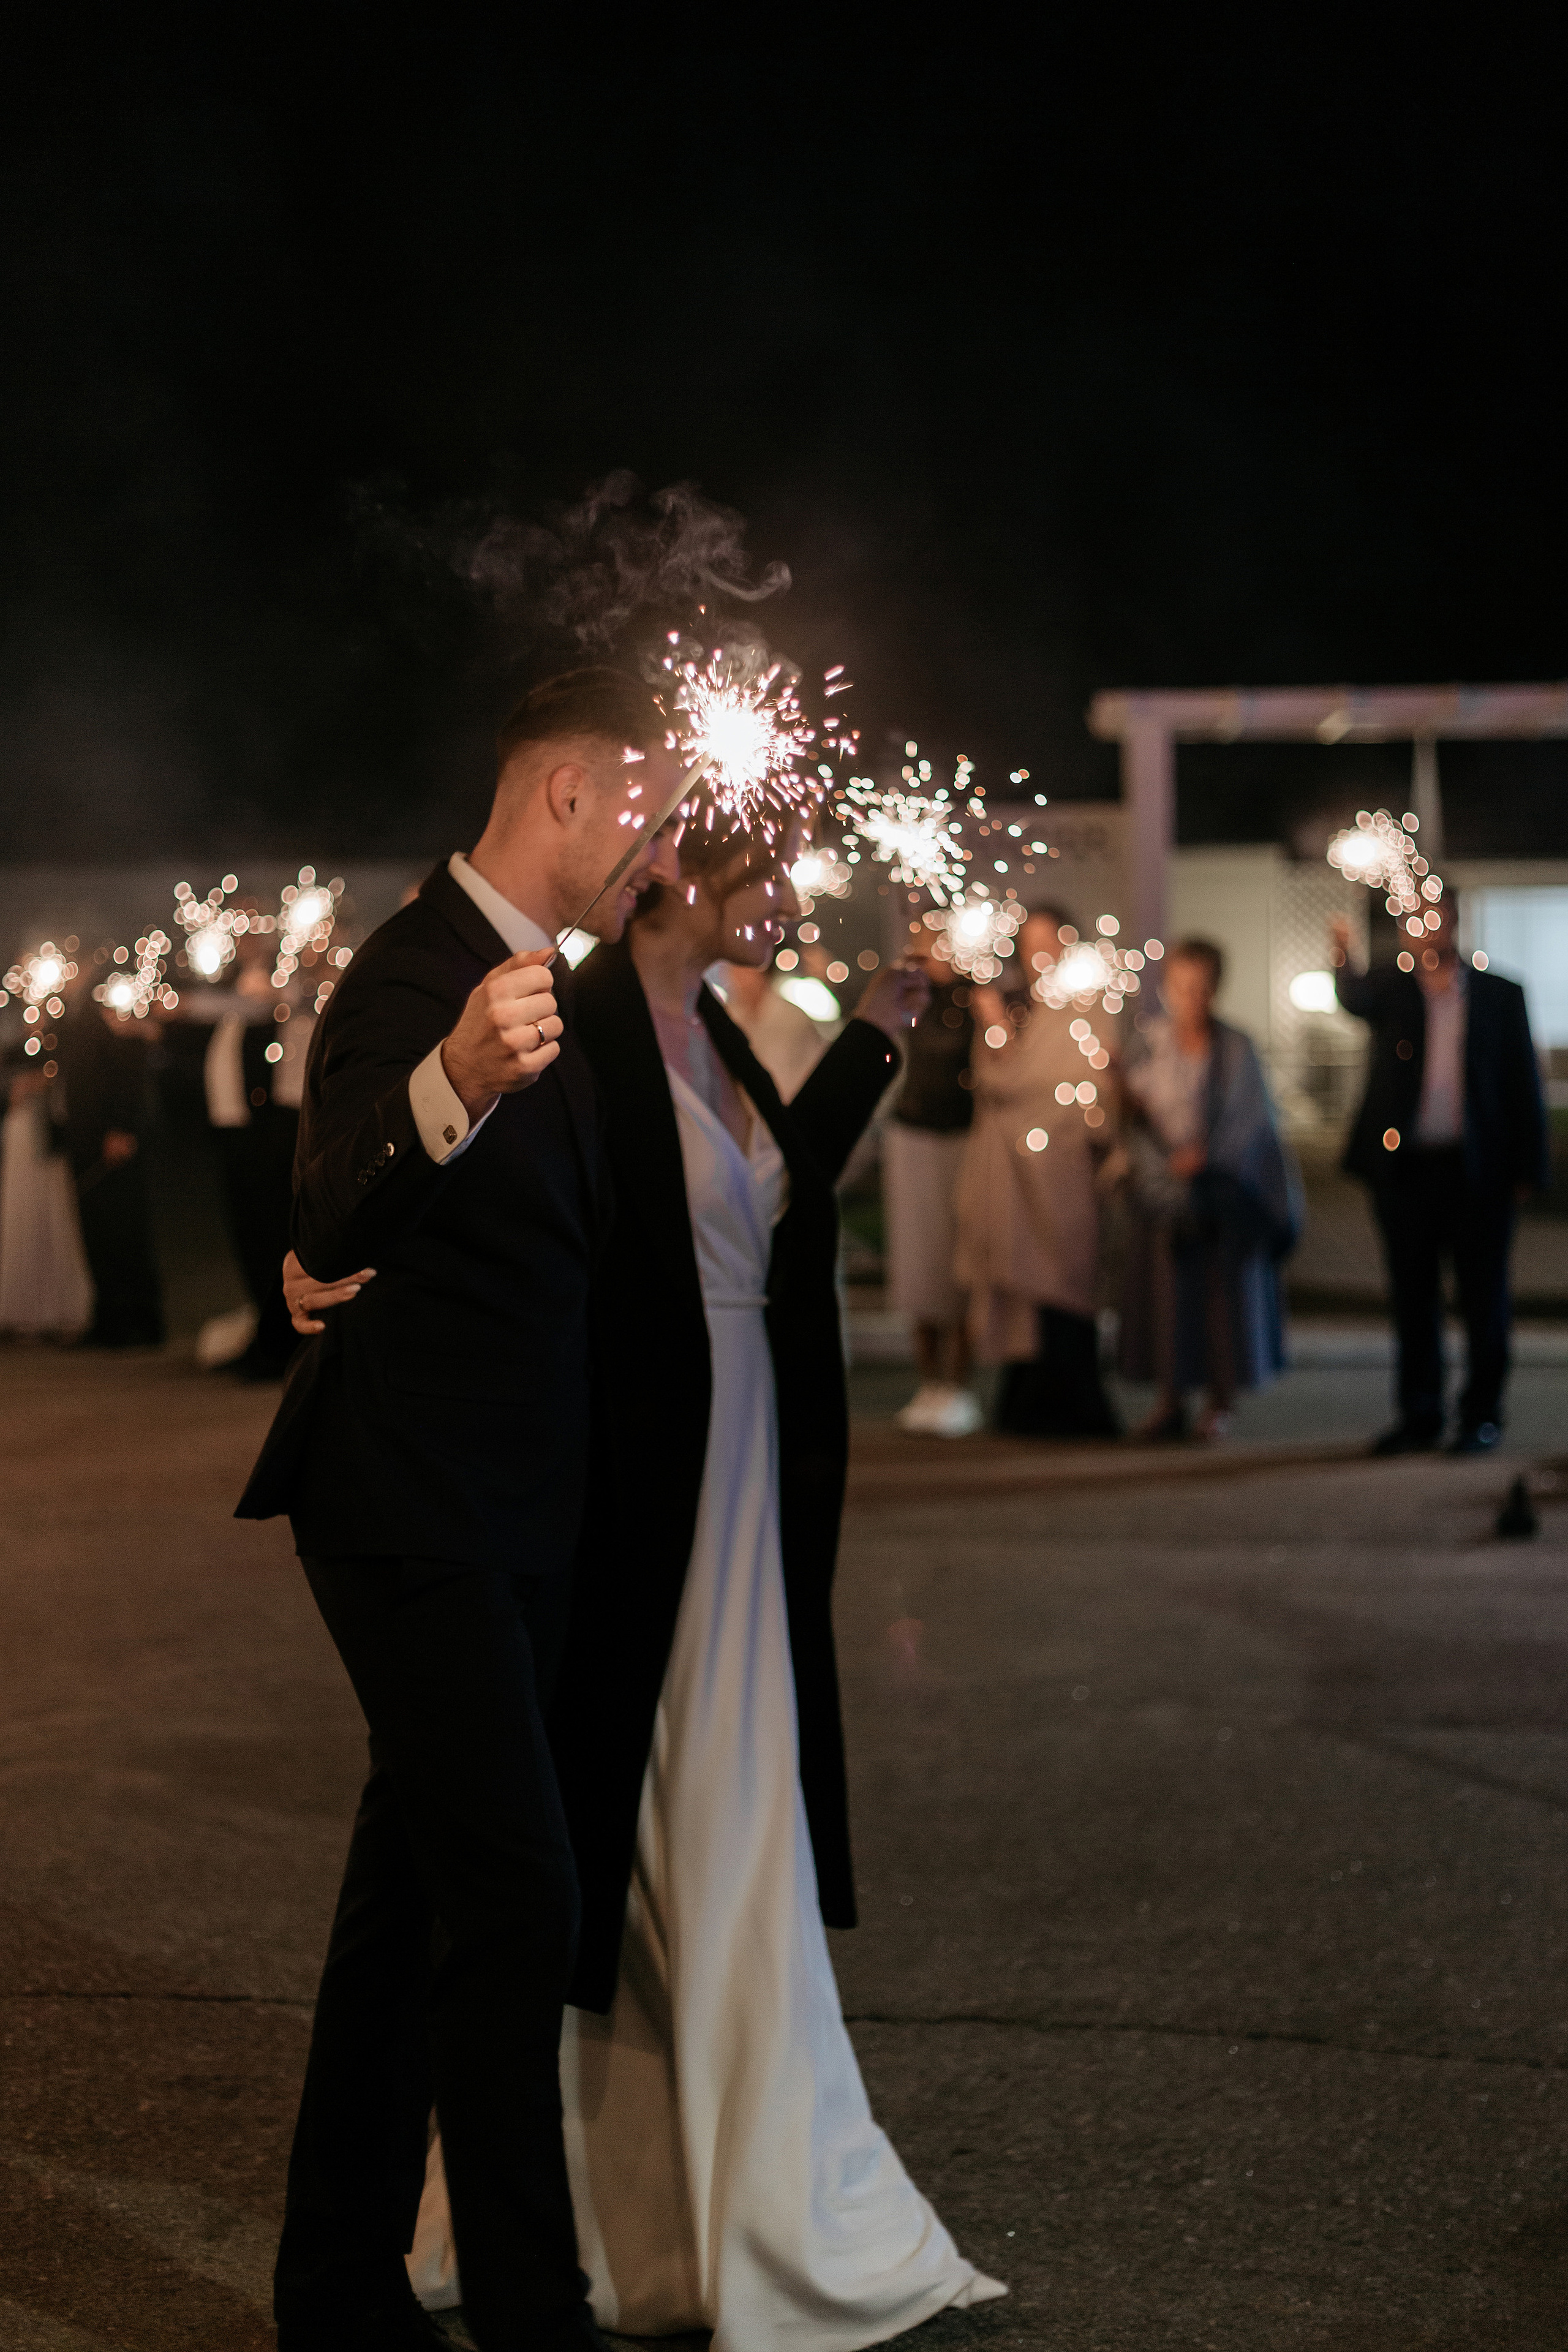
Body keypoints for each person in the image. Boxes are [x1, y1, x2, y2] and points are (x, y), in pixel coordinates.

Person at [290, 803, 1005, 2348]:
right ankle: (562, 2251)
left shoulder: (719, 1030)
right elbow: (510, 1210)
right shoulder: (588, 1009)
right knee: (562, 1848)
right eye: (760, 872)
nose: (784, 899)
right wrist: (323, 1257)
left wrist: (872, 1042)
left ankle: (722, 2168)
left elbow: (766, 1198)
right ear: (672, 877)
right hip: (640, 1465)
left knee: (610, 1827)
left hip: (743, 1465)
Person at [235, 667, 677, 2352]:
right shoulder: (417, 973)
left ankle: (333, 2290)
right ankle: (530, 2312)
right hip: (407, 1504)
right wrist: (457, 1083)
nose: (648, 849)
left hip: (524, 1513)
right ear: (563, 790)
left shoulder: (572, 983)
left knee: (412, 1901)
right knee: (515, 1906)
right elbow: (333, 1201)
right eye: (637, 812)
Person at [1332, 896, 1548, 1454]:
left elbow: (1523, 1082)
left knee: (1483, 1298)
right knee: (1413, 1298)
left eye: (1432, 917)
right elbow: (1353, 1000)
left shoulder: (1499, 994)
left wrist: (1528, 1167)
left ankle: (1481, 1414)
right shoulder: (1393, 990)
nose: (1421, 930)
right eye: (1410, 919)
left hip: (1478, 1172)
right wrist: (1340, 959)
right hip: (1407, 1171)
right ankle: (1419, 1414)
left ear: (1454, 921)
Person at [1118, 937, 1300, 1441]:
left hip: (1221, 1195)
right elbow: (1129, 1115)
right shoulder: (1149, 1042)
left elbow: (1253, 1119)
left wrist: (1208, 1158)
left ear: (1216, 988)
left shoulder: (1236, 1046)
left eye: (1201, 987)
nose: (1191, 998)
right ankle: (1169, 1399)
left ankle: (1220, 1401)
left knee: (1224, 1300)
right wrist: (1158, 1162)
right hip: (1163, 1195)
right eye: (1181, 986)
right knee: (1166, 1298)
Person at [956, 910, 1120, 1437]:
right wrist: (996, 1028)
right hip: (1017, 1171)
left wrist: (1002, 1036)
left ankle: (1076, 1401)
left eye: (1048, 942)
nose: (1038, 955)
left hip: (1063, 1169)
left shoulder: (1086, 1010)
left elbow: (1072, 1088)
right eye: (1029, 945)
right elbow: (997, 1081)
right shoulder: (1025, 1009)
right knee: (1025, 1284)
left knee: (1064, 1276)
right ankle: (1029, 1400)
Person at [190, 930, 315, 1378]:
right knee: (250, 1235)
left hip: (273, 1127)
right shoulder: (241, 990)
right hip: (238, 1127)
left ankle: (281, 1346)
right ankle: (267, 1336)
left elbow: (255, 1007)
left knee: (271, 1236)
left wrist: (179, 1005)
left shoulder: (285, 986)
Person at [882, 932, 981, 1436]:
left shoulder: (975, 998)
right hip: (914, 1135)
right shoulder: (904, 996)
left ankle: (960, 1387)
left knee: (961, 1261)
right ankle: (930, 1383)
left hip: (964, 1137)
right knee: (919, 1262)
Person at [59, 980, 166, 1348]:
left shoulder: (111, 1003)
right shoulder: (70, 1014)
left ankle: (137, 1321)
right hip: (89, 1140)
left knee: (123, 1228)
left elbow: (128, 1070)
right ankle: (112, 1318)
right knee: (100, 1232)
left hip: (112, 1140)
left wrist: (122, 1127)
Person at [0, 1060, 93, 1339]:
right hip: (21, 1136)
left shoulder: (59, 1045)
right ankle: (23, 1308)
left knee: (53, 1221)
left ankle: (57, 1307)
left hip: (48, 1140)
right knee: (21, 1219)